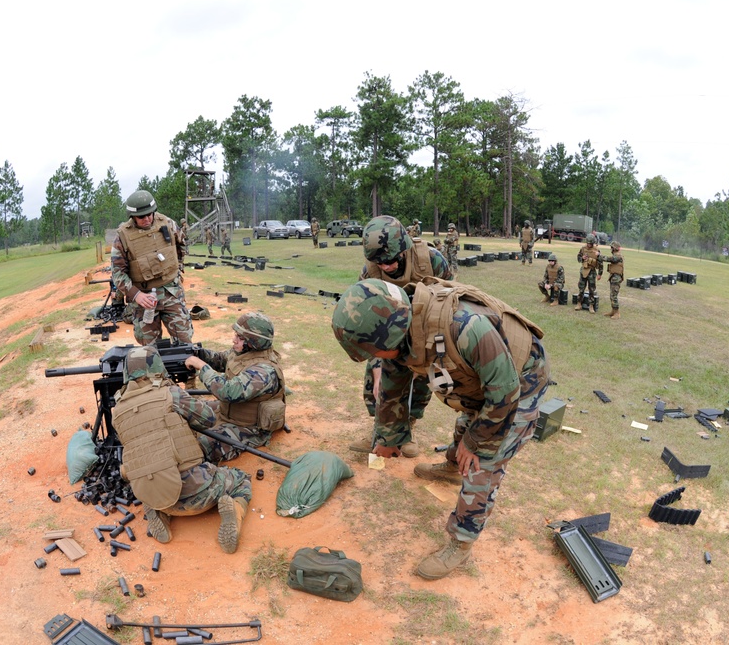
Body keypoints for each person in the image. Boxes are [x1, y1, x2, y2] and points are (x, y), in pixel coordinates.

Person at [332, 278, 550, 579]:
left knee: (484, 458)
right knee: (467, 420)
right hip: (486, 378)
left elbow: (504, 395)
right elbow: (393, 389)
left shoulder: (466, 328)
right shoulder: (402, 328)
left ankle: (461, 543)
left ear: (388, 337)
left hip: (520, 380)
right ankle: (452, 467)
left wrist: (475, 443)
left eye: (374, 353)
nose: (374, 361)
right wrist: (388, 437)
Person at [111, 346, 251, 553]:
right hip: (198, 494)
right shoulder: (170, 394)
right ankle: (234, 513)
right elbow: (208, 420)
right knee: (240, 479)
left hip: (155, 495)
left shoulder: (117, 411)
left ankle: (159, 513)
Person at [350, 215, 453, 457]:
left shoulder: (432, 261)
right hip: (389, 335)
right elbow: (369, 323)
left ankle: (408, 428)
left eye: (390, 261)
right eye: (379, 262)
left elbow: (450, 303)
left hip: (427, 332)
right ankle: (381, 431)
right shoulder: (371, 272)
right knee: (380, 386)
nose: (385, 267)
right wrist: (377, 368)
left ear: (403, 247)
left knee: (421, 383)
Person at [185, 312, 286, 464]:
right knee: (187, 409)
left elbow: (227, 391)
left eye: (240, 337)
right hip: (227, 412)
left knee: (198, 448)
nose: (234, 339)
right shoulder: (243, 353)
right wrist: (198, 353)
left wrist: (202, 366)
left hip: (248, 428)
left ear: (253, 342)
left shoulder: (263, 371)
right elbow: (221, 360)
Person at [111, 190, 193, 345]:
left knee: (185, 343)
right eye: (142, 216)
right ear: (132, 216)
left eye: (150, 214)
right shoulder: (122, 236)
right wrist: (137, 295)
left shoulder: (167, 223)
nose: (147, 219)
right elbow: (118, 274)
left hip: (172, 293)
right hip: (144, 299)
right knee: (149, 350)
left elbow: (181, 245)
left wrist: (177, 270)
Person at [574, 235, 602, 313]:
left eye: (590, 243)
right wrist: (582, 258)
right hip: (584, 270)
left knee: (592, 289)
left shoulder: (597, 250)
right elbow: (578, 258)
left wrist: (600, 273)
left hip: (592, 272)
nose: (589, 245)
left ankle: (591, 305)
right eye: (588, 243)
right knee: (581, 288)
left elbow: (600, 262)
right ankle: (579, 303)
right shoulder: (583, 249)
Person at [599, 241, 624, 319]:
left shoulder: (618, 256)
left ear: (614, 248)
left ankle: (617, 313)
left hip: (616, 278)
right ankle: (613, 311)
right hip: (613, 277)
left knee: (614, 296)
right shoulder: (616, 255)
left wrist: (599, 256)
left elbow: (608, 259)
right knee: (612, 295)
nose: (611, 249)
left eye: (612, 248)